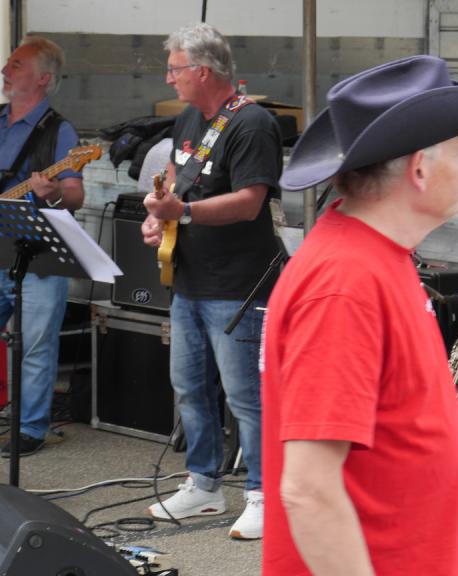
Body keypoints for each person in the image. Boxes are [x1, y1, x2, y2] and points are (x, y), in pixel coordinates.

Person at [261, 55, 458, 575]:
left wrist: (442, 510)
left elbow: (386, 436)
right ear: (419, 168)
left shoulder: (374, 257)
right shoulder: (345, 284)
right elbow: (309, 490)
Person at [140, 23, 282, 540]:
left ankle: (262, 495)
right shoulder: (188, 120)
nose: (168, 78)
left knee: (246, 395)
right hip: (189, 279)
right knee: (190, 388)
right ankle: (202, 484)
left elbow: (249, 202)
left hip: (239, 285)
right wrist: (158, 216)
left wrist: (183, 213)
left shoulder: (253, 123)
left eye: (174, 69)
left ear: (202, 71)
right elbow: (178, 183)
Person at [0, 36, 85, 458]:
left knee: (35, 344)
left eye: (16, 65)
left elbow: (75, 195)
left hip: (37, 254)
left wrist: (50, 193)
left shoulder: (60, 131)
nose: (5, 70)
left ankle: (30, 428)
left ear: (43, 78)